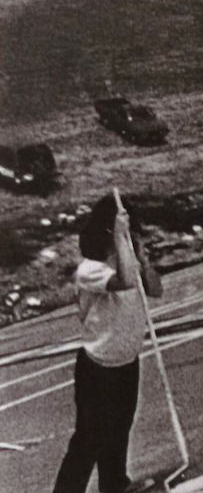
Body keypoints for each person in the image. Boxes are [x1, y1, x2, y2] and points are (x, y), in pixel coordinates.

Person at [52, 194, 162, 493]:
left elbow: (156, 289)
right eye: (127, 234)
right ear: (109, 235)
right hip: (97, 367)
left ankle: (114, 485)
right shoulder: (90, 270)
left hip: (127, 361)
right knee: (89, 438)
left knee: (120, 429)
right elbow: (124, 281)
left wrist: (143, 258)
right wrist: (120, 235)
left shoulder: (131, 263)